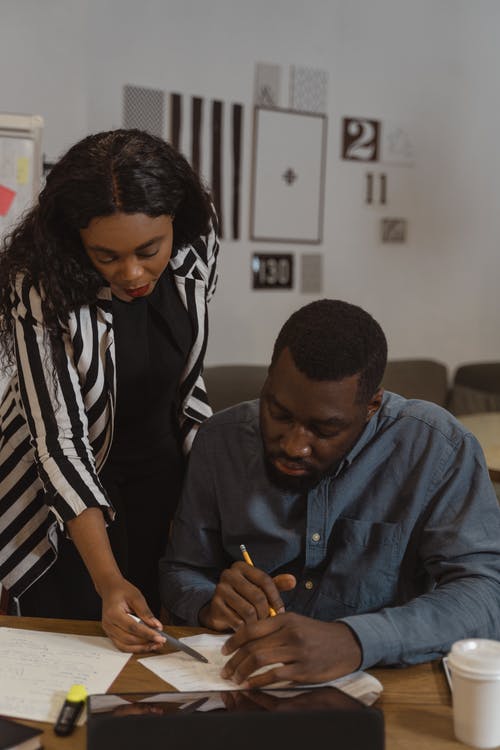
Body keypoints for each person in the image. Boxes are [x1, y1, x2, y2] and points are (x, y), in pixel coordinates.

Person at [160, 299, 500, 686]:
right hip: (243, 681)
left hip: (387, 683)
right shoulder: (220, 442)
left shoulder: (436, 448)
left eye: (324, 430)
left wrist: (355, 641)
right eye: (279, 413)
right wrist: (209, 603)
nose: (294, 446)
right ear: (268, 381)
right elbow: (182, 569)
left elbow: (486, 592)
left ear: (372, 405)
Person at [0, 128, 219, 652]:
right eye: (106, 256)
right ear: (75, 241)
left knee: (162, 638)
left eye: (149, 249)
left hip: (159, 473)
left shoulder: (198, 242)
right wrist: (108, 581)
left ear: (175, 223)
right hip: (61, 495)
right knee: (72, 642)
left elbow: (185, 379)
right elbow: (60, 443)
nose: (133, 272)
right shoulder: (39, 284)